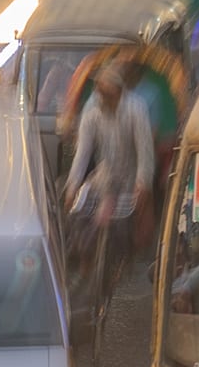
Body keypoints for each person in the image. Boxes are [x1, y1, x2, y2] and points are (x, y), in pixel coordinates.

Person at [65, 63, 157, 248]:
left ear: (118, 90)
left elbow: (144, 150)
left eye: (106, 89)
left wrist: (143, 184)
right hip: (104, 174)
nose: (101, 94)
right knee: (79, 212)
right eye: (99, 89)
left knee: (134, 225)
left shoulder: (136, 108)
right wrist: (73, 185)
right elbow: (83, 152)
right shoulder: (92, 111)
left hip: (130, 175)